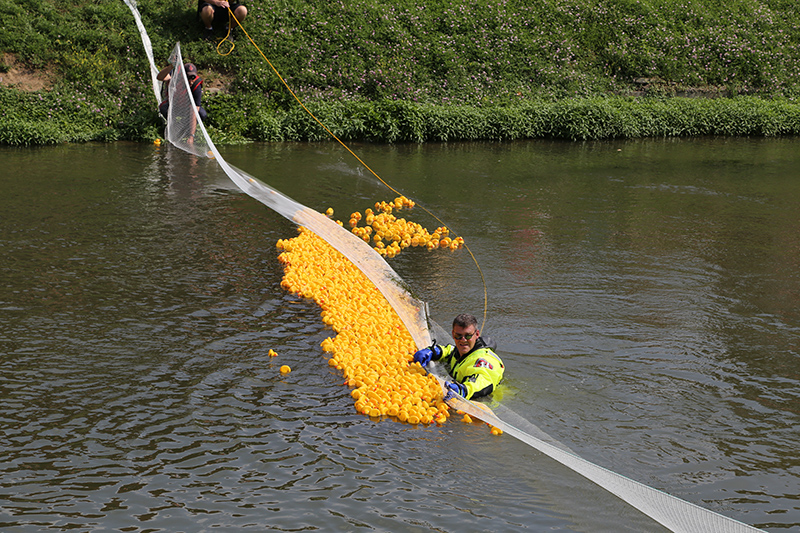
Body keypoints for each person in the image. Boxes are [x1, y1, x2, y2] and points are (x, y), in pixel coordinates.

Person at [413, 313, 504, 400]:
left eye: (468, 336)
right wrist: (434, 351)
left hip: (487, 401)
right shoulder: (460, 352)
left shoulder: (484, 360)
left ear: (476, 334)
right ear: (453, 334)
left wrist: (463, 390)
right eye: (458, 335)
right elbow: (450, 352)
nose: (463, 340)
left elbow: (483, 380)